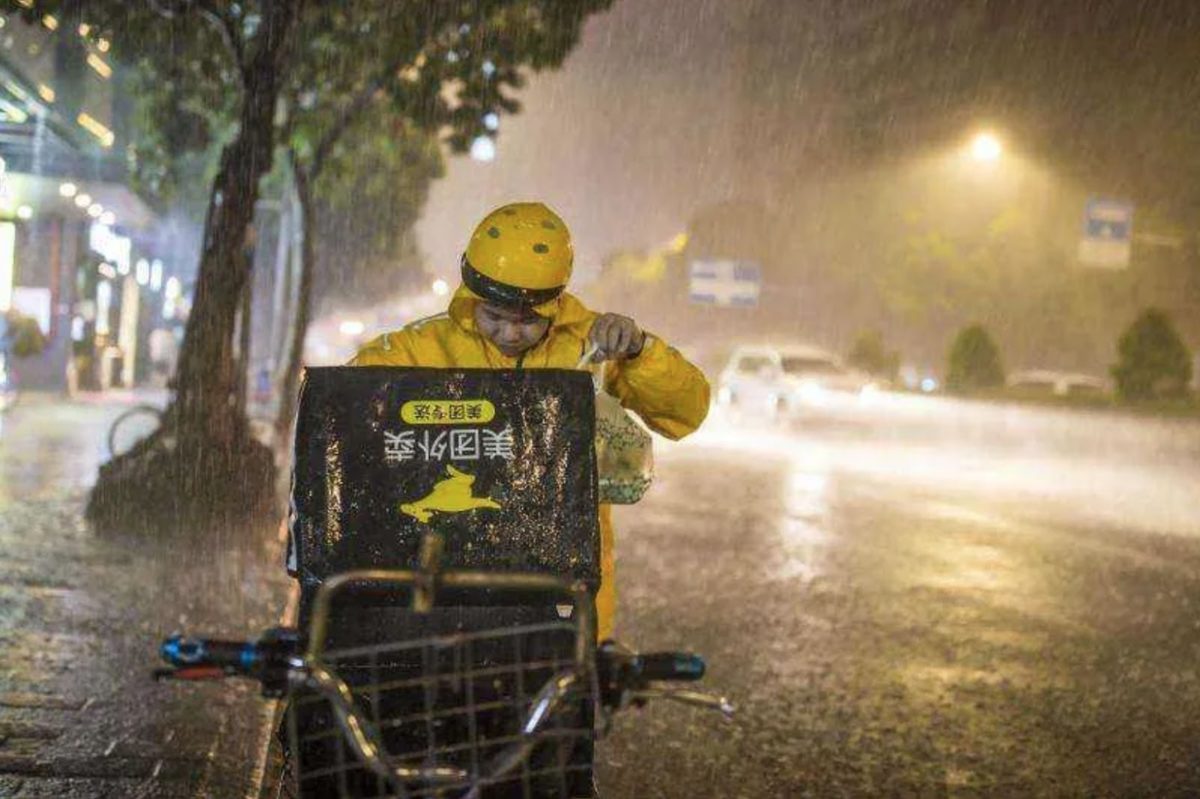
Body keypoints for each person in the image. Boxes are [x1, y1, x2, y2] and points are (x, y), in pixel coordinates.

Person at [350, 202, 710, 639]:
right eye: (494, 317)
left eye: (529, 321)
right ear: (471, 298)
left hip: (558, 582)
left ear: (555, 303)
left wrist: (639, 352)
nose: (510, 333)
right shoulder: (419, 348)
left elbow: (685, 413)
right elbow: (347, 411)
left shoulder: (593, 346)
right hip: (440, 578)